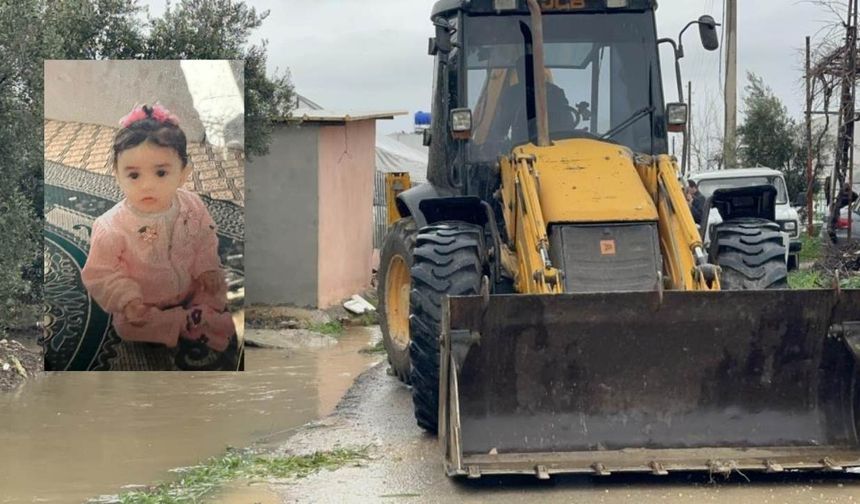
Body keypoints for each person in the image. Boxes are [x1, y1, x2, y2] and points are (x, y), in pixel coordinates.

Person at [81, 104, 235, 353]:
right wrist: (127, 298)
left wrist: (206, 268)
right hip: (144, 299)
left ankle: (197, 313)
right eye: (134, 176)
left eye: (161, 173)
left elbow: (205, 237)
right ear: (117, 176)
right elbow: (101, 273)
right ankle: (186, 322)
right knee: (129, 326)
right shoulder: (111, 227)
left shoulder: (192, 205)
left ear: (183, 174)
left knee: (220, 285)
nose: (147, 186)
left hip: (188, 284)